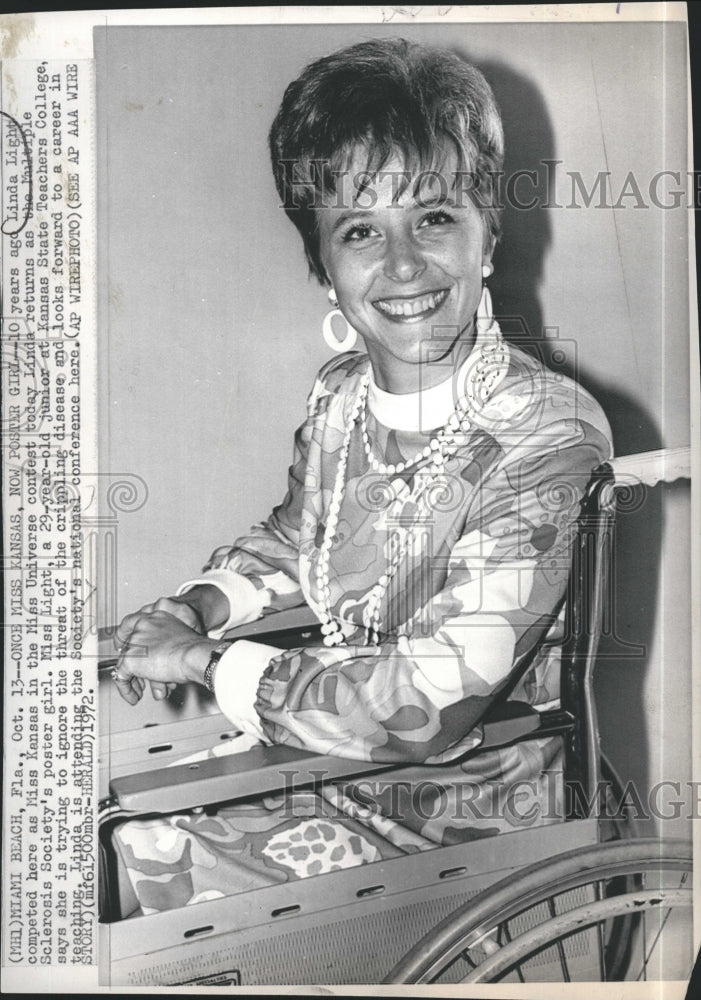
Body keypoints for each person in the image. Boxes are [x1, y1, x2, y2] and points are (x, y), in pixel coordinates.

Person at [110, 38, 612, 914]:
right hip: (335, 763)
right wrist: (200, 602)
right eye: (358, 231)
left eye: (434, 217)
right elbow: (298, 533)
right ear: (323, 268)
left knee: (143, 853)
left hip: (473, 807)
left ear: (488, 233)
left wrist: (206, 660)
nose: (403, 265)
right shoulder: (342, 396)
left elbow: (425, 704)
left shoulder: (547, 434)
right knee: (102, 824)